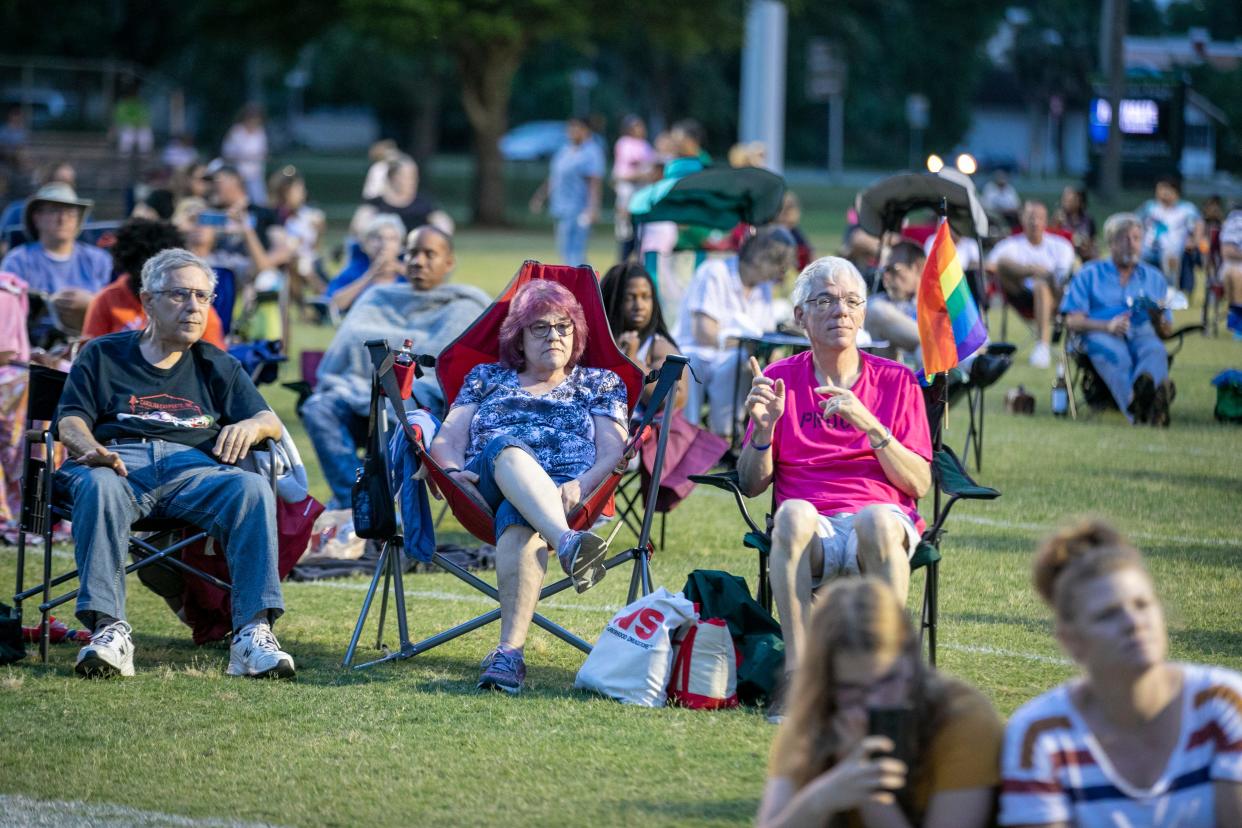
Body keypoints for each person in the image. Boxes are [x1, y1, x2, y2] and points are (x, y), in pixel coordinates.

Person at [53, 248, 295, 679]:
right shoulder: (103, 355)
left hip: (194, 471)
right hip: (116, 464)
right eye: (180, 295)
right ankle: (109, 632)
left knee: (252, 488)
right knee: (99, 485)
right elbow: (70, 418)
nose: (194, 307)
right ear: (148, 301)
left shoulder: (217, 363)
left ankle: (252, 633)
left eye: (203, 297)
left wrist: (254, 428)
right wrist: (90, 449)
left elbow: (268, 419)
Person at [737, 256, 933, 721]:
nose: (839, 311)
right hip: (813, 532)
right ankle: (801, 679)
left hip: (880, 525)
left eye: (850, 301)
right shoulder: (780, 380)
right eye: (824, 300)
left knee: (876, 521)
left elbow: (920, 482)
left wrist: (870, 424)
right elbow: (750, 484)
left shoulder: (897, 380)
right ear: (801, 316)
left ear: (864, 314)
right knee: (793, 513)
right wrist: (762, 433)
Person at [429, 279, 629, 694]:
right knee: (507, 446)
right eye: (540, 327)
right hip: (488, 481)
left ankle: (508, 655)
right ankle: (571, 544)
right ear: (518, 337)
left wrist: (582, 483)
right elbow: (448, 439)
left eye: (563, 326)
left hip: (564, 494)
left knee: (518, 515)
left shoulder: (601, 382)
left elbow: (613, 452)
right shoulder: (486, 377)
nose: (554, 335)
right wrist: (450, 472)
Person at [999, 519, 1242, 827]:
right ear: (1071, 640)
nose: (1133, 622)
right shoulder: (1040, 734)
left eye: (1142, 605)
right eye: (1108, 615)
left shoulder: (1224, 703)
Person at [758, 577, 1003, 828]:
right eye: (851, 689)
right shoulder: (813, 717)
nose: (874, 701)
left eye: (888, 680)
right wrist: (822, 797)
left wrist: (868, 790)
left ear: (911, 657)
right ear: (824, 683)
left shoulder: (962, 717)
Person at [304, 226, 487, 508]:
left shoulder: (466, 306)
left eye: (429, 254)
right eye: (412, 252)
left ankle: (366, 507)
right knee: (318, 408)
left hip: (422, 412)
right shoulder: (378, 297)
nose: (417, 261)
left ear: (449, 262)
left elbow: (461, 376)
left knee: (395, 411)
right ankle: (357, 502)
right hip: (360, 397)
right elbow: (347, 350)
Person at [674, 226, 797, 437]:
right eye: (780, 266)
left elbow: (764, 333)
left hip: (730, 358)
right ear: (760, 258)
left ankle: (725, 434)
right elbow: (703, 331)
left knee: (742, 360)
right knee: (707, 361)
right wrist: (747, 342)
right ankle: (687, 435)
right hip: (697, 352)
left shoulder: (763, 287)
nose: (781, 274)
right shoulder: (714, 272)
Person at [1060, 213, 1175, 425]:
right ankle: (1140, 409)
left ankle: (1147, 398)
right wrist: (1107, 326)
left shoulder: (1154, 278)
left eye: (1136, 238)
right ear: (1111, 243)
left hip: (1142, 332)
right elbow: (1072, 321)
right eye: (1124, 238)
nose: (1131, 244)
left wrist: (1158, 319)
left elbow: (1166, 331)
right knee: (1116, 355)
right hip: (1101, 332)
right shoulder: (1090, 273)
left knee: (1155, 349)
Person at [81, 218, 227, 349]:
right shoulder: (106, 300)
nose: (153, 279)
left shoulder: (194, 305)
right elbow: (90, 356)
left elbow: (216, 361)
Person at [0, 182, 112, 338]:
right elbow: (6, 310)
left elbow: (118, 307)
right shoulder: (18, 260)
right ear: (37, 218)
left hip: (91, 344)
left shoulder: (99, 259)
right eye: (54, 211)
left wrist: (93, 304)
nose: (62, 219)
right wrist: (45, 305)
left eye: (70, 213)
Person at [986, 200, 1076, 369]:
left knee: (1043, 284)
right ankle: (1041, 346)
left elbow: (1063, 277)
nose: (1034, 222)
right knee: (1003, 263)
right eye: (1030, 217)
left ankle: (1042, 346)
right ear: (1022, 218)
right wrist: (1031, 270)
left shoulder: (1061, 245)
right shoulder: (1010, 245)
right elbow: (991, 266)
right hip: (1021, 296)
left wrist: (1046, 276)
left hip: (1056, 298)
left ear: (1046, 220)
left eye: (1039, 217)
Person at [599, 261, 688, 412]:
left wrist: (632, 361)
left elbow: (670, 401)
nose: (639, 306)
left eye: (646, 297)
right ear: (611, 300)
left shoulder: (658, 346)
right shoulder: (595, 342)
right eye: (630, 297)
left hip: (642, 433)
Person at [529, 117, 605, 267]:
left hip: (579, 209)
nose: (571, 132)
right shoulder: (565, 150)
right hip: (561, 207)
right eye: (569, 129)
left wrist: (593, 208)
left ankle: (583, 286)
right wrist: (540, 196)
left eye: (575, 129)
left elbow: (594, 183)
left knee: (575, 253)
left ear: (585, 130)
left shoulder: (591, 152)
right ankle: (584, 284)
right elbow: (555, 177)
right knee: (564, 251)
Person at [1136, 175, 1203, 310]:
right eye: (1160, 190)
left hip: (1174, 249)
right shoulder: (1150, 207)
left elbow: (1198, 224)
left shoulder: (1186, 209)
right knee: (1139, 257)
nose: (1163, 194)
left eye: (1167, 190)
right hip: (1148, 248)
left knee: (1170, 256)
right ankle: (1142, 295)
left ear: (1176, 192)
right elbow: (1134, 221)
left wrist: (1194, 241)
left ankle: (1170, 294)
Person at [351, 154, 453, 240]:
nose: (412, 181)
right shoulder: (375, 203)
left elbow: (443, 223)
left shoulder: (424, 203)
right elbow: (359, 226)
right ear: (392, 177)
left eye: (414, 176)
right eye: (406, 177)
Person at [324, 213, 404, 314]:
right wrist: (370, 276)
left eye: (392, 239)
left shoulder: (412, 272)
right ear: (365, 244)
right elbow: (334, 305)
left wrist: (401, 269)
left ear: (400, 245)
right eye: (377, 238)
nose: (384, 244)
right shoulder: (354, 271)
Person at [866, 241, 923, 365]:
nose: (885, 277)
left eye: (893, 269)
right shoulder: (877, 305)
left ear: (917, 268)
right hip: (894, 376)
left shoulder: (938, 305)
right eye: (884, 270)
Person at [611, 115, 656, 260]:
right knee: (625, 232)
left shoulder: (645, 145)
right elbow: (622, 173)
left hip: (641, 192)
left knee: (640, 231)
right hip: (628, 190)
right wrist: (641, 175)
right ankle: (622, 262)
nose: (639, 129)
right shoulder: (624, 143)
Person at [221, 104, 269, 206]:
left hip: (255, 174)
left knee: (260, 201)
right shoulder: (236, 132)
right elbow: (227, 154)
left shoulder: (260, 132)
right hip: (239, 175)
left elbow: (263, 152)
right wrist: (246, 157)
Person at [1051, 184, 1096, 263]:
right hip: (1063, 255)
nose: (1067, 201)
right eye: (1065, 198)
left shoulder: (1088, 220)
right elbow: (1052, 238)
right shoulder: (1059, 218)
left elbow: (1093, 241)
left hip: (1083, 256)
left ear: (1080, 200)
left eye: (1072, 198)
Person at [1220, 206, 1242, 339]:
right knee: (1235, 274)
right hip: (1235, 264)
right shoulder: (1236, 219)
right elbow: (1228, 251)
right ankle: (1238, 319)